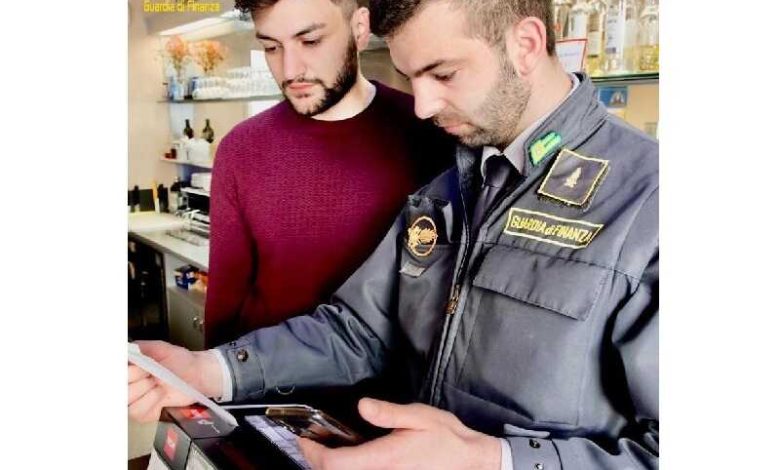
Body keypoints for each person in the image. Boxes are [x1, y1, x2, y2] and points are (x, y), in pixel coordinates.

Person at [130, 0, 659, 468]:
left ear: (525, 44)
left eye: (443, 73)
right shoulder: (454, 184)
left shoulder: (651, 201)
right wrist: (210, 369)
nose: (423, 106)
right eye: (410, 78)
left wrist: (491, 461)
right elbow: (360, 330)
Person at [204, 0, 453, 346]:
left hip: (394, 378)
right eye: (271, 47)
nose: (290, 70)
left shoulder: (431, 134)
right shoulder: (241, 149)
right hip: (268, 377)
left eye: (310, 41)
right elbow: (223, 309)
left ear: (360, 29)